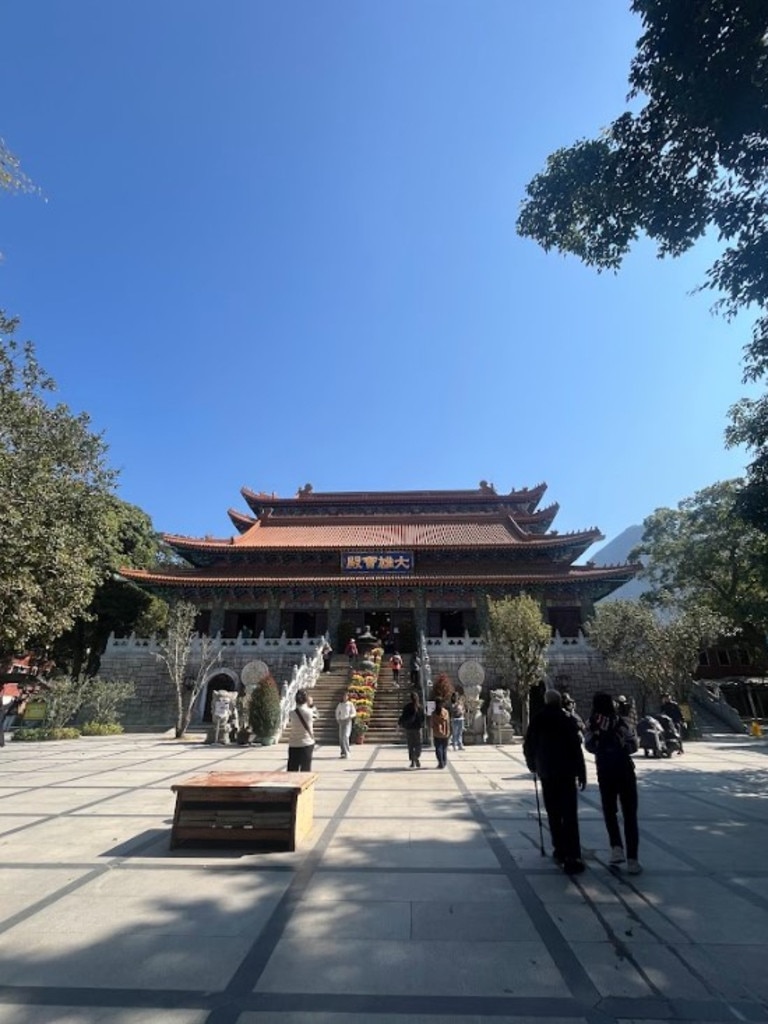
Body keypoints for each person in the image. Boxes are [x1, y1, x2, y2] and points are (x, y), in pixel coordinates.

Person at [524, 689, 587, 875]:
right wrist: (582, 772)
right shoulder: (567, 719)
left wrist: (532, 765)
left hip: (547, 772)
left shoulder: (538, 719)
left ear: (546, 701)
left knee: (553, 813)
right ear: (560, 702)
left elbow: (528, 744)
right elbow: (577, 748)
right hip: (566, 773)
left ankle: (559, 849)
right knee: (569, 815)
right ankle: (573, 855)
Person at [585, 692, 642, 874]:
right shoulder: (621, 721)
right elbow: (633, 745)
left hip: (604, 771)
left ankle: (616, 848)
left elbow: (588, 746)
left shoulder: (592, 723)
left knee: (609, 811)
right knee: (630, 814)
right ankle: (632, 860)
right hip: (624, 770)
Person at [286, 689, 315, 772]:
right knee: (305, 771)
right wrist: (311, 704)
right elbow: (317, 715)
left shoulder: (291, 713)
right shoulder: (310, 712)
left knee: (292, 770)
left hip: (294, 744)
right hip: (306, 743)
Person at [398, 691, 425, 768]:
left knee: (410, 745)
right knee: (418, 744)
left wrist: (399, 724)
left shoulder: (407, 707)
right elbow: (423, 719)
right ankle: (416, 756)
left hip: (409, 729)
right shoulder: (420, 708)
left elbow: (403, 716)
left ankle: (412, 760)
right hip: (417, 729)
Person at [335, 689, 357, 759]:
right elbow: (337, 712)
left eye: (346, 696)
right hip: (341, 721)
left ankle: (347, 751)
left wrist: (350, 717)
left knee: (346, 736)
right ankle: (343, 752)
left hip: (348, 721)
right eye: (344, 696)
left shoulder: (350, 704)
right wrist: (338, 719)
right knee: (341, 737)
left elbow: (354, 713)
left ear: (348, 697)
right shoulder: (340, 704)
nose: (345, 697)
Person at [430, 697, 451, 768]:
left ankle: (440, 762)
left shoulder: (434, 713)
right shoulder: (446, 712)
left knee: (438, 748)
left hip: (437, 733)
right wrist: (448, 731)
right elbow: (448, 722)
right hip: (445, 732)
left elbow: (432, 724)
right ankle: (444, 761)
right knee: (444, 748)